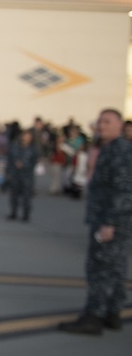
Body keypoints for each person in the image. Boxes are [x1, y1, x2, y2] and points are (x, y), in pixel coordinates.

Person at [59, 109, 132, 336]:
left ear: (120, 126)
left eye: (107, 122)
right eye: (100, 122)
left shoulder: (119, 152)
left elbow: (122, 190)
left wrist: (109, 222)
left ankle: (94, 317)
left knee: (100, 268)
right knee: (116, 268)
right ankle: (112, 312)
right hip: (117, 220)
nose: (101, 126)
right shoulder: (114, 149)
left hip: (110, 221)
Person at [5, 129, 39, 222]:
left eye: (28, 136)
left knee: (26, 196)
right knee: (14, 195)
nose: (26, 138)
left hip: (27, 175)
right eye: (25, 136)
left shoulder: (33, 149)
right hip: (15, 174)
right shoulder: (14, 147)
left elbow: (34, 162)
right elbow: (9, 159)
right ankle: (13, 212)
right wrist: (9, 171)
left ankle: (26, 214)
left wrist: (24, 164)